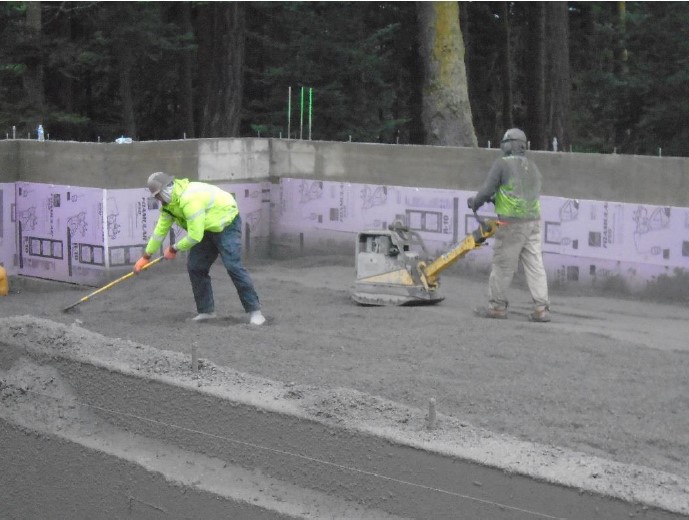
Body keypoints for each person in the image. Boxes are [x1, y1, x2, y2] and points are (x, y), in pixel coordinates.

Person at [134, 172, 266, 325]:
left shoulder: (190, 199)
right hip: (205, 228)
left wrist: (174, 249)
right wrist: (146, 256)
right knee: (196, 267)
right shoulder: (168, 207)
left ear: (166, 190)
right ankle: (206, 311)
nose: (157, 199)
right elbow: (159, 232)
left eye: (158, 195)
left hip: (225, 224)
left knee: (233, 266)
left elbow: (195, 236)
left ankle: (255, 312)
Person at [467, 128, 550, 322]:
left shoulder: (502, 164)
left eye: (505, 141)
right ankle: (541, 309)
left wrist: (476, 202)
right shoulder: (533, 167)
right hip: (533, 222)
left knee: (503, 265)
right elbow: (518, 195)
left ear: (511, 144)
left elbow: (487, 190)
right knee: (535, 265)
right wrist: (498, 199)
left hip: (511, 224)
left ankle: (497, 307)